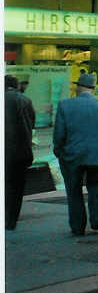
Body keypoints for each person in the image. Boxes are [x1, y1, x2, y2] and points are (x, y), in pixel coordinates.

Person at [53, 73, 98, 235]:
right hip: (96, 155)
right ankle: (97, 221)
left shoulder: (65, 105)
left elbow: (59, 134)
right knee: (96, 188)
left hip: (72, 156)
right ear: (93, 88)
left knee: (73, 191)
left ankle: (77, 226)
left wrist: (59, 151)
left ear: (78, 87)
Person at [5, 75, 36, 230]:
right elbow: (32, 123)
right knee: (16, 189)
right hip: (20, 153)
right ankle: (10, 221)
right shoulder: (25, 101)